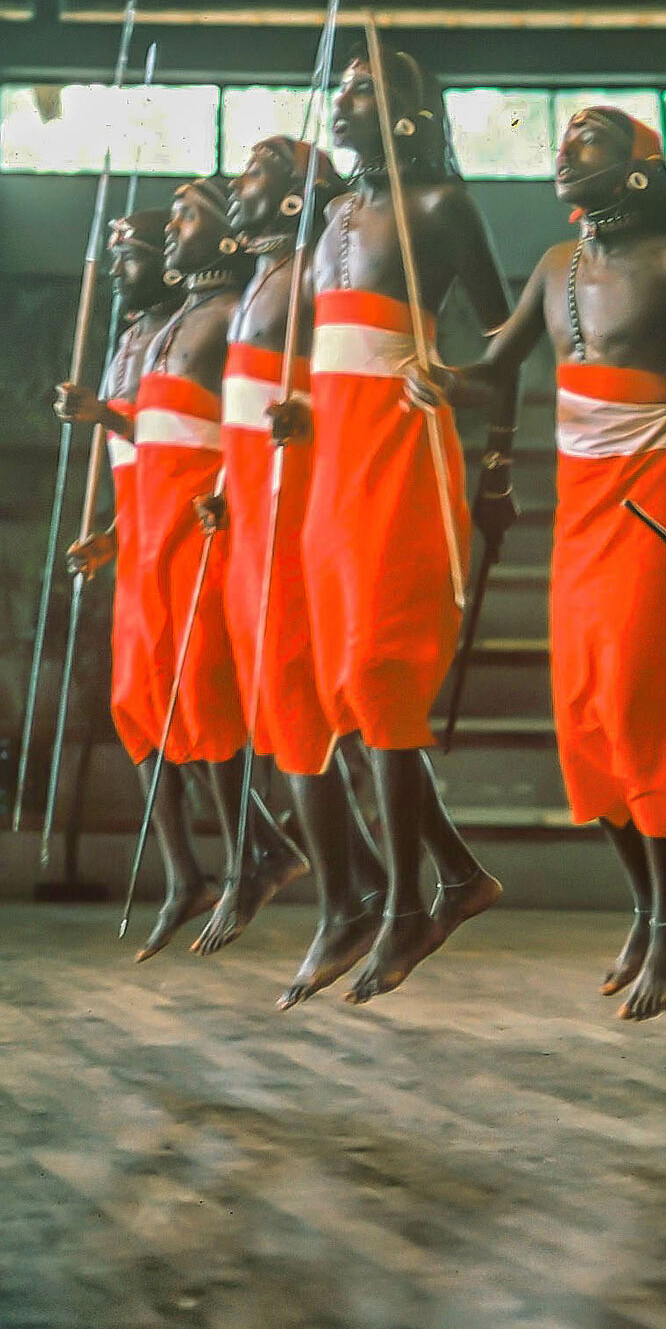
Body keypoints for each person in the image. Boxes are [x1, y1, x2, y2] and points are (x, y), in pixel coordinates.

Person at [447, 105, 666, 1020]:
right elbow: (494, 368)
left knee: (633, 702)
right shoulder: (553, 267)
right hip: (582, 513)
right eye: (564, 142)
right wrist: (416, 373)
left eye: (592, 142)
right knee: (582, 714)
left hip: (658, 502)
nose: (567, 153)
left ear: (641, 168)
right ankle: (654, 909)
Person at [281, 46, 512, 1001]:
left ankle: (406, 902)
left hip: (403, 457)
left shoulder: (441, 208)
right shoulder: (330, 215)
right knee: (341, 683)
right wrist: (298, 409)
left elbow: (507, 343)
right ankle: (452, 879)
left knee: (382, 671)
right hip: (332, 462)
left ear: (411, 111)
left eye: (365, 90)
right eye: (337, 89)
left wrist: (481, 424)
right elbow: (320, 342)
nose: (344, 101)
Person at [202, 136, 392, 1005]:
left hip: (298, 498)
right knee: (275, 704)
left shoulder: (319, 269)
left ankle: (348, 896)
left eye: (254, 176)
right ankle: (362, 881)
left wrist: (306, 413)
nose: (236, 189)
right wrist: (218, 482)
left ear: (292, 200)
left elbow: (344, 377)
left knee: (295, 696)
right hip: (248, 504)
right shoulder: (260, 281)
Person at [57, 207, 205, 962]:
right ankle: (186, 871)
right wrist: (111, 536)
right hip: (139, 531)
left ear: (170, 261)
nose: (120, 270)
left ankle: (253, 859)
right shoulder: (126, 339)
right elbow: (128, 459)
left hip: (185, 527)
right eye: (115, 258)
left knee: (186, 702)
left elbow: (183, 437)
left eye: (134, 256)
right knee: (134, 705)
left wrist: (103, 412)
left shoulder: (187, 330)